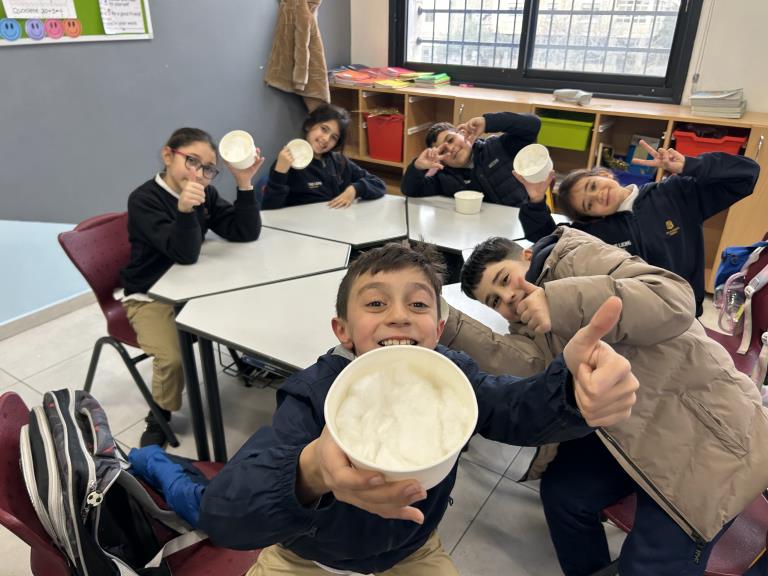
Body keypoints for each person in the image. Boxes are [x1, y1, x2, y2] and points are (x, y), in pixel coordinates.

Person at [131, 242, 639, 575]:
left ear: (439, 329)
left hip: (410, 550)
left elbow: (514, 408)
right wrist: (310, 471)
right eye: (376, 304)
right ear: (343, 331)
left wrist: (571, 391)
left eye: (418, 304)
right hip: (306, 556)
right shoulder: (315, 393)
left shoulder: (453, 376)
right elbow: (227, 514)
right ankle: (147, 461)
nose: (399, 315)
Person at [443, 228, 768, 576]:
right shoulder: (529, 325)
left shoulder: (575, 257)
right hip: (635, 434)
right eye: (494, 301)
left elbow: (674, 299)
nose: (508, 297)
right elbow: (534, 373)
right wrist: (447, 323)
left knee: (648, 564)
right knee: (563, 495)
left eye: (505, 280)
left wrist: (559, 302)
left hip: (708, 431)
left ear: (527, 256)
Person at [121, 127, 264, 447]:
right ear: (168, 155)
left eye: (208, 168)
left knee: (250, 307)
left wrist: (244, 184)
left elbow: (245, 231)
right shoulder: (144, 200)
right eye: (192, 161)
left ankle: (253, 362)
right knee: (172, 359)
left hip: (193, 286)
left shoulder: (205, 193)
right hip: (150, 294)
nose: (199, 173)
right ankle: (160, 413)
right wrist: (185, 211)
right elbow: (183, 254)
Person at [518, 141, 760, 316]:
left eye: (592, 186)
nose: (597, 196)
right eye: (589, 205)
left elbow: (746, 175)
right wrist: (536, 200)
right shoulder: (595, 233)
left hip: (686, 312)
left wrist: (690, 165)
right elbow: (550, 243)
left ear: (605, 174)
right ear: (590, 217)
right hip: (638, 321)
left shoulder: (673, 193)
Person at [400, 111, 541, 206]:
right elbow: (411, 191)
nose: (450, 148)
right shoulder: (443, 179)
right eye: (443, 150)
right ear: (441, 160)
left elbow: (533, 125)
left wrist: (488, 122)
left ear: (463, 133)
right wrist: (417, 167)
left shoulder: (498, 146)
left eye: (450, 140)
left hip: (521, 224)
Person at [262, 103, 386, 209]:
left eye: (334, 137)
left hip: (334, 223)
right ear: (309, 125)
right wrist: (280, 172)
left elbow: (379, 184)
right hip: (301, 227)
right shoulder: (288, 161)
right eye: (324, 129)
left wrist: (354, 189)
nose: (326, 139)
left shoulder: (338, 161)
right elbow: (270, 210)